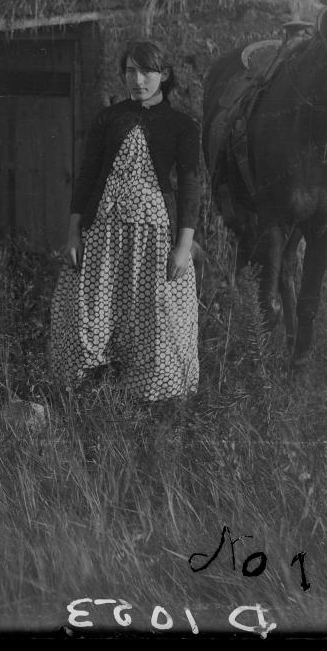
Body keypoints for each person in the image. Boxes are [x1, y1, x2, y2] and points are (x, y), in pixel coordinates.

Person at [49, 39, 201, 402]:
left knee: (156, 321)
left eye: (147, 71)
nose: (138, 79)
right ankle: (89, 397)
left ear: (163, 75)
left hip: (155, 240)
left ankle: (149, 405)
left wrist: (183, 246)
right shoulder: (108, 119)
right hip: (104, 237)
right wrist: (74, 233)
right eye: (130, 71)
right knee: (90, 316)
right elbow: (86, 178)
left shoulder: (182, 126)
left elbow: (192, 186)